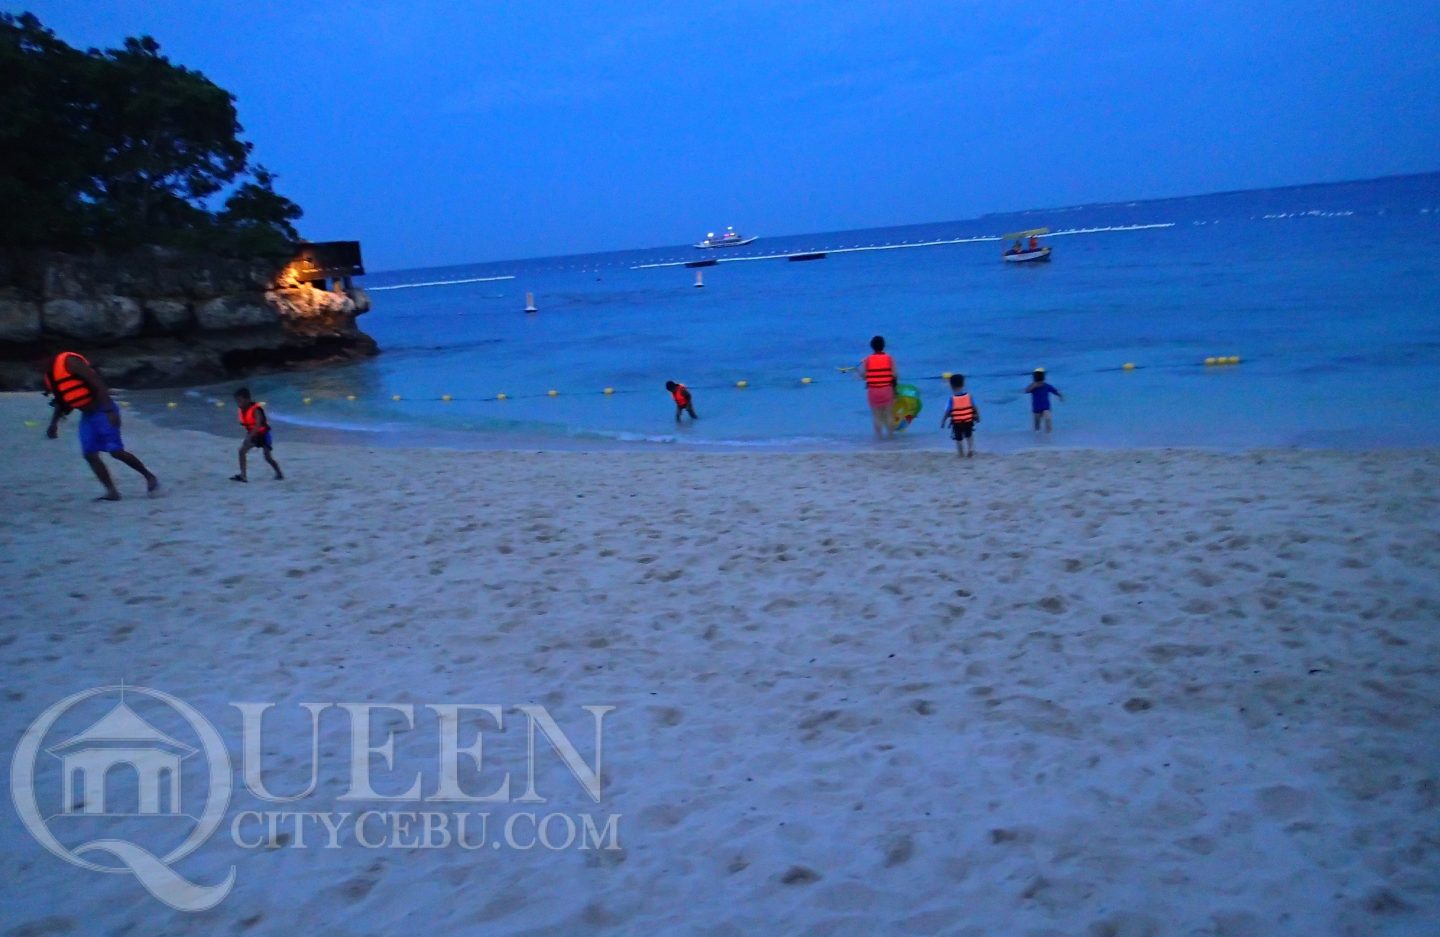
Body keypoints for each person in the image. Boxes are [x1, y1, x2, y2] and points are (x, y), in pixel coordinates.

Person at [41, 350, 159, 501]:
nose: (36, 368)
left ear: (47, 357)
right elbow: (61, 400)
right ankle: (112, 492)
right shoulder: (50, 377)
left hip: (103, 409)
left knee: (116, 451)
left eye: (37, 363)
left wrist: (110, 410)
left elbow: (97, 382)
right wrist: (53, 424)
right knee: (89, 454)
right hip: (87, 415)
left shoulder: (70, 362)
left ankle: (149, 476)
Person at [232, 387, 283, 482]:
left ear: (248, 400)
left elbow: (258, 425)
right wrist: (248, 437)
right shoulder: (242, 410)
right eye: (237, 401)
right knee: (242, 451)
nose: (238, 404)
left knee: (267, 457)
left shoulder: (256, 410)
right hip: (253, 434)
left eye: (240, 401)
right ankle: (243, 475)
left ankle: (279, 473)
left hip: (264, 435)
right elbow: (248, 427)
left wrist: (249, 437)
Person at [861, 335, 898, 439]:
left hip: (873, 391)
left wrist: (858, 373)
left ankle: (879, 438)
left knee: (876, 416)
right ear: (884, 346)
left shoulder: (867, 360)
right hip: (887, 390)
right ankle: (891, 437)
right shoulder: (889, 358)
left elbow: (864, 376)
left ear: (872, 346)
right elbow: (895, 375)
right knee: (889, 414)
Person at [940, 373, 980, 458]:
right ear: (963, 384)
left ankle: (961, 454)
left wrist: (943, 421)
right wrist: (978, 416)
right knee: (969, 435)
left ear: (951, 386)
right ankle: (970, 449)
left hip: (957, 422)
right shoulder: (969, 396)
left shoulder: (951, 399)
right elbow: (975, 407)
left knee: (958, 439)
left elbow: (947, 411)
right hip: (968, 420)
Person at [1023, 367, 1063, 432]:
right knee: (1037, 424)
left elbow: (1055, 391)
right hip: (1036, 408)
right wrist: (1034, 385)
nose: (1040, 383)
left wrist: (1060, 396)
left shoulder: (1047, 386)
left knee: (1048, 418)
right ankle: (1037, 435)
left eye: (1040, 381)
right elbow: (1026, 391)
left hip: (1046, 407)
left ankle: (1049, 432)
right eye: (1038, 381)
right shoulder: (1033, 387)